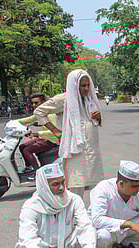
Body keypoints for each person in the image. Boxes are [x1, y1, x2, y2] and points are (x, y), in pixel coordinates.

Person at [3, 164, 96, 248]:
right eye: (55, 184)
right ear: (44, 186)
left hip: (66, 243)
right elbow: (28, 239)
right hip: (44, 247)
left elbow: (85, 225)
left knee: (93, 233)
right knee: (23, 246)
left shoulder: (74, 200)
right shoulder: (31, 206)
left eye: (63, 182)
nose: (62, 188)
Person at [34, 69, 103, 199]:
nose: (86, 89)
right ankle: (74, 215)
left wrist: (99, 118)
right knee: (76, 186)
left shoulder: (89, 99)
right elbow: (39, 112)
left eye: (88, 85)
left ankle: (95, 214)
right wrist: (55, 130)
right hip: (75, 149)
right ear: (74, 85)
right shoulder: (63, 99)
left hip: (92, 149)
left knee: (96, 184)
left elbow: (93, 121)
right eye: (83, 86)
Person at [18, 94, 59, 173]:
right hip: (43, 138)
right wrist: (14, 123)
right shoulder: (40, 113)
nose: (34, 105)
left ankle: (37, 172)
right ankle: (29, 167)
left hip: (52, 140)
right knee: (22, 147)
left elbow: (54, 132)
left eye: (36, 103)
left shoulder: (51, 114)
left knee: (27, 150)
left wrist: (37, 134)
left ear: (43, 102)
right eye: (32, 103)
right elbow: (29, 119)